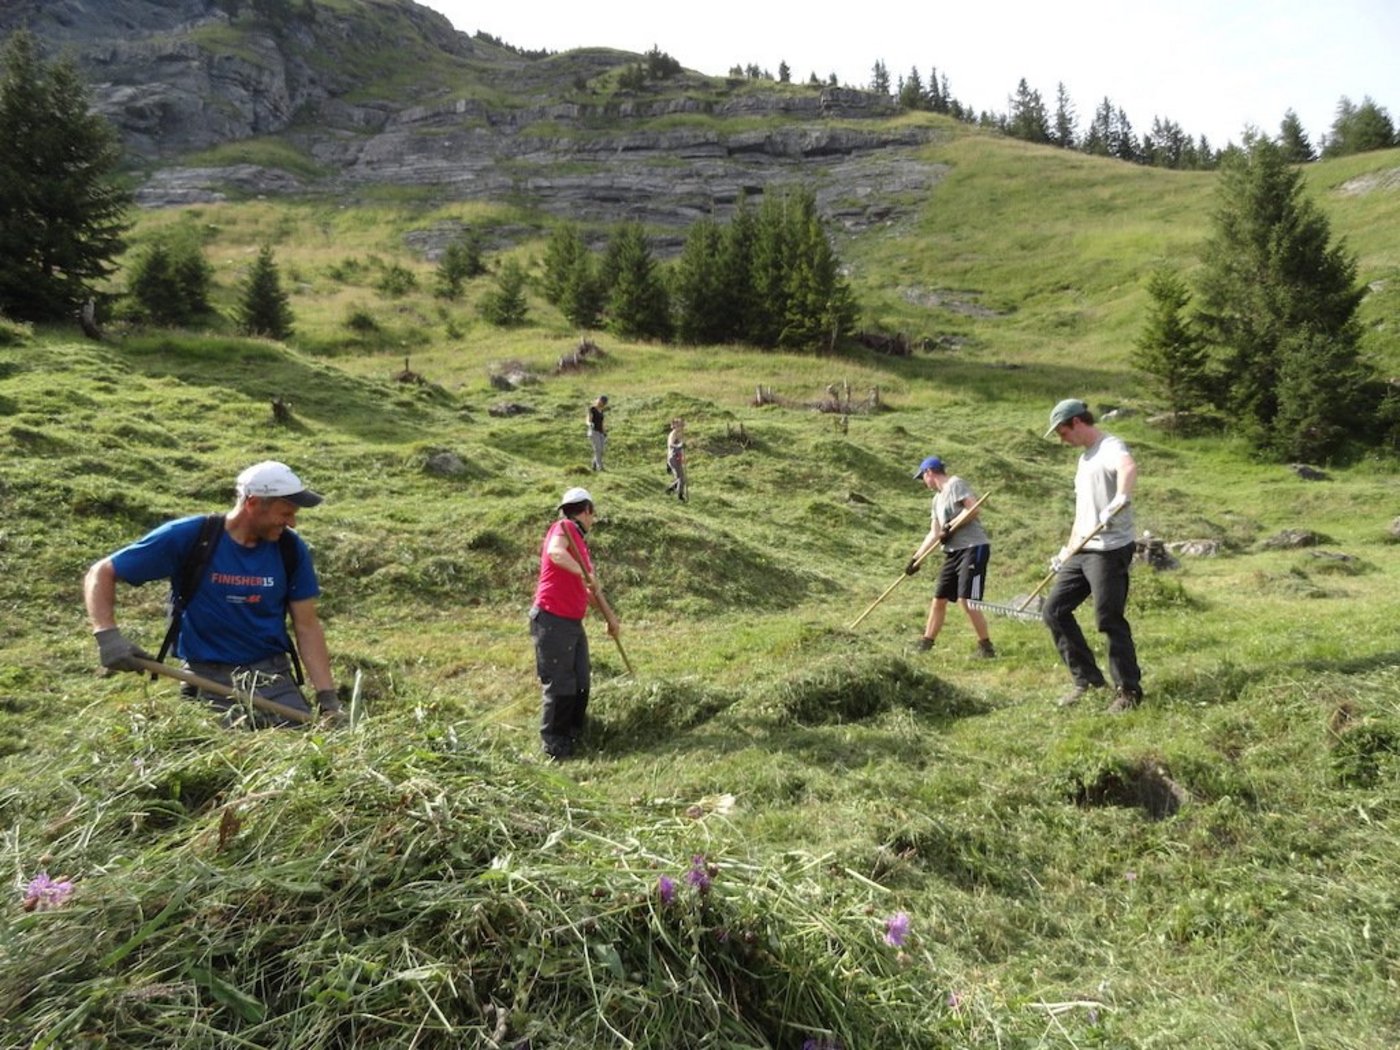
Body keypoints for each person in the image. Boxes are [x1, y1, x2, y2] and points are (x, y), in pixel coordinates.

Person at [83, 461, 342, 727]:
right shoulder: (192, 537)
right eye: (285, 513)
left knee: (309, 755)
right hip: (207, 681)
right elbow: (101, 573)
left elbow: (307, 626)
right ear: (252, 504)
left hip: (272, 679)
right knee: (220, 761)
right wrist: (108, 636)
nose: (293, 523)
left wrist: (327, 697)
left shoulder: (289, 549)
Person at [1041, 398, 1142, 713]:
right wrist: (1066, 550)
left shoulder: (1110, 446)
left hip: (1109, 549)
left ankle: (1129, 692)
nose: (1062, 439)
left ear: (1077, 422)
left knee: (1108, 618)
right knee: (1054, 611)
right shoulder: (1084, 460)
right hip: (1082, 549)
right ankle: (1088, 681)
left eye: (1062, 431)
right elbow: (1082, 514)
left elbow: (1128, 467)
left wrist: (1121, 498)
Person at [529, 486, 620, 760]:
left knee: (581, 679)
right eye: (593, 514)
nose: (592, 520)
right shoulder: (564, 527)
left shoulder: (579, 544)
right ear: (587, 510)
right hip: (552, 618)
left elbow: (590, 590)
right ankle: (554, 744)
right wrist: (584, 572)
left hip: (572, 622)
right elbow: (556, 553)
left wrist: (610, 618)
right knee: (561, 683)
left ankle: (573, 733)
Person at [904, 455, 995, 657]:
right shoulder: (936, 500)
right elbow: (935, 533)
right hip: (953, 553)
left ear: (929, 472)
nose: (924, 483)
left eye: (923, 477)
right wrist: (916, 558)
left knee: (967, 600)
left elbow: (974, 508)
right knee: (939, 599)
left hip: (974, 548)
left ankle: (986, 647)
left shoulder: (955, 484)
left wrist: (951, 528)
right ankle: (926, 643)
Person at [664, 417, 688, 502]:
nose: (681, 427)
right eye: (679, 425)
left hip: (677, 458)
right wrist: (679, 446)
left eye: (681, 425)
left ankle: (671, 490)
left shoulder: (679, 434)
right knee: (681, 478)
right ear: (674, 426)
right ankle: (679, 495)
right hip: (673, 457)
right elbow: (671, 445)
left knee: (681, 479)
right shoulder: (673, 434)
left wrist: (682, 458)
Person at [587, 395, 609, 471]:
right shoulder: (592, 409)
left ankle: (593, 465)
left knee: (601, 450)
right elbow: (588, 419)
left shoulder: (601, 411)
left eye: (603, 402)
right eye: (600, 401)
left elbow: (602, 422)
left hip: (600, 433)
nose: (601, 403)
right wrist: (590, 424)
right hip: (593, 431)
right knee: (598, 449)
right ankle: (600, 467)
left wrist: (604, 432)